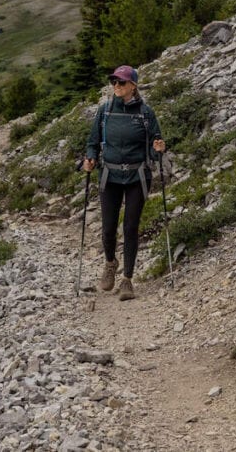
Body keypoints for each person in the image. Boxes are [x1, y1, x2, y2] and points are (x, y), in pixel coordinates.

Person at [82, 65, 165, 301]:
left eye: (121, 82)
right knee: (108, 227)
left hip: (137, 176)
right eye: (114, 82)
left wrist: (158, 148)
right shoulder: (104, 111)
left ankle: (127, 280)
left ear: (133, 86)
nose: (116, 86)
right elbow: (93, 142)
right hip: (110, 175)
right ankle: (110, 263)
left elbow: (154, 145)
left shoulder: (145, 113)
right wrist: (89, 158)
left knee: (130, 227)